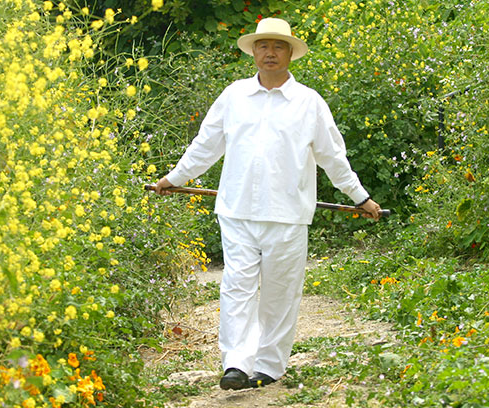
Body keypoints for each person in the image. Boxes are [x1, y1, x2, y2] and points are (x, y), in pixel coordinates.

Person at [152, 17, 382, 390]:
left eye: (278, 46)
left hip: (288, 215)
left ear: (290, 53)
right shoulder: (233, 96)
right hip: (236, 210)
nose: (270, 53)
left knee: (279, 292)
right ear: (253, 51)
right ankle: (236, 365)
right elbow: (205, 146)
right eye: (263, 46)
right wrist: (174, 178)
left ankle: (270, 365)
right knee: (236, 288)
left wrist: (361, 197)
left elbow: (333, 159)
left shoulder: (309, 103)